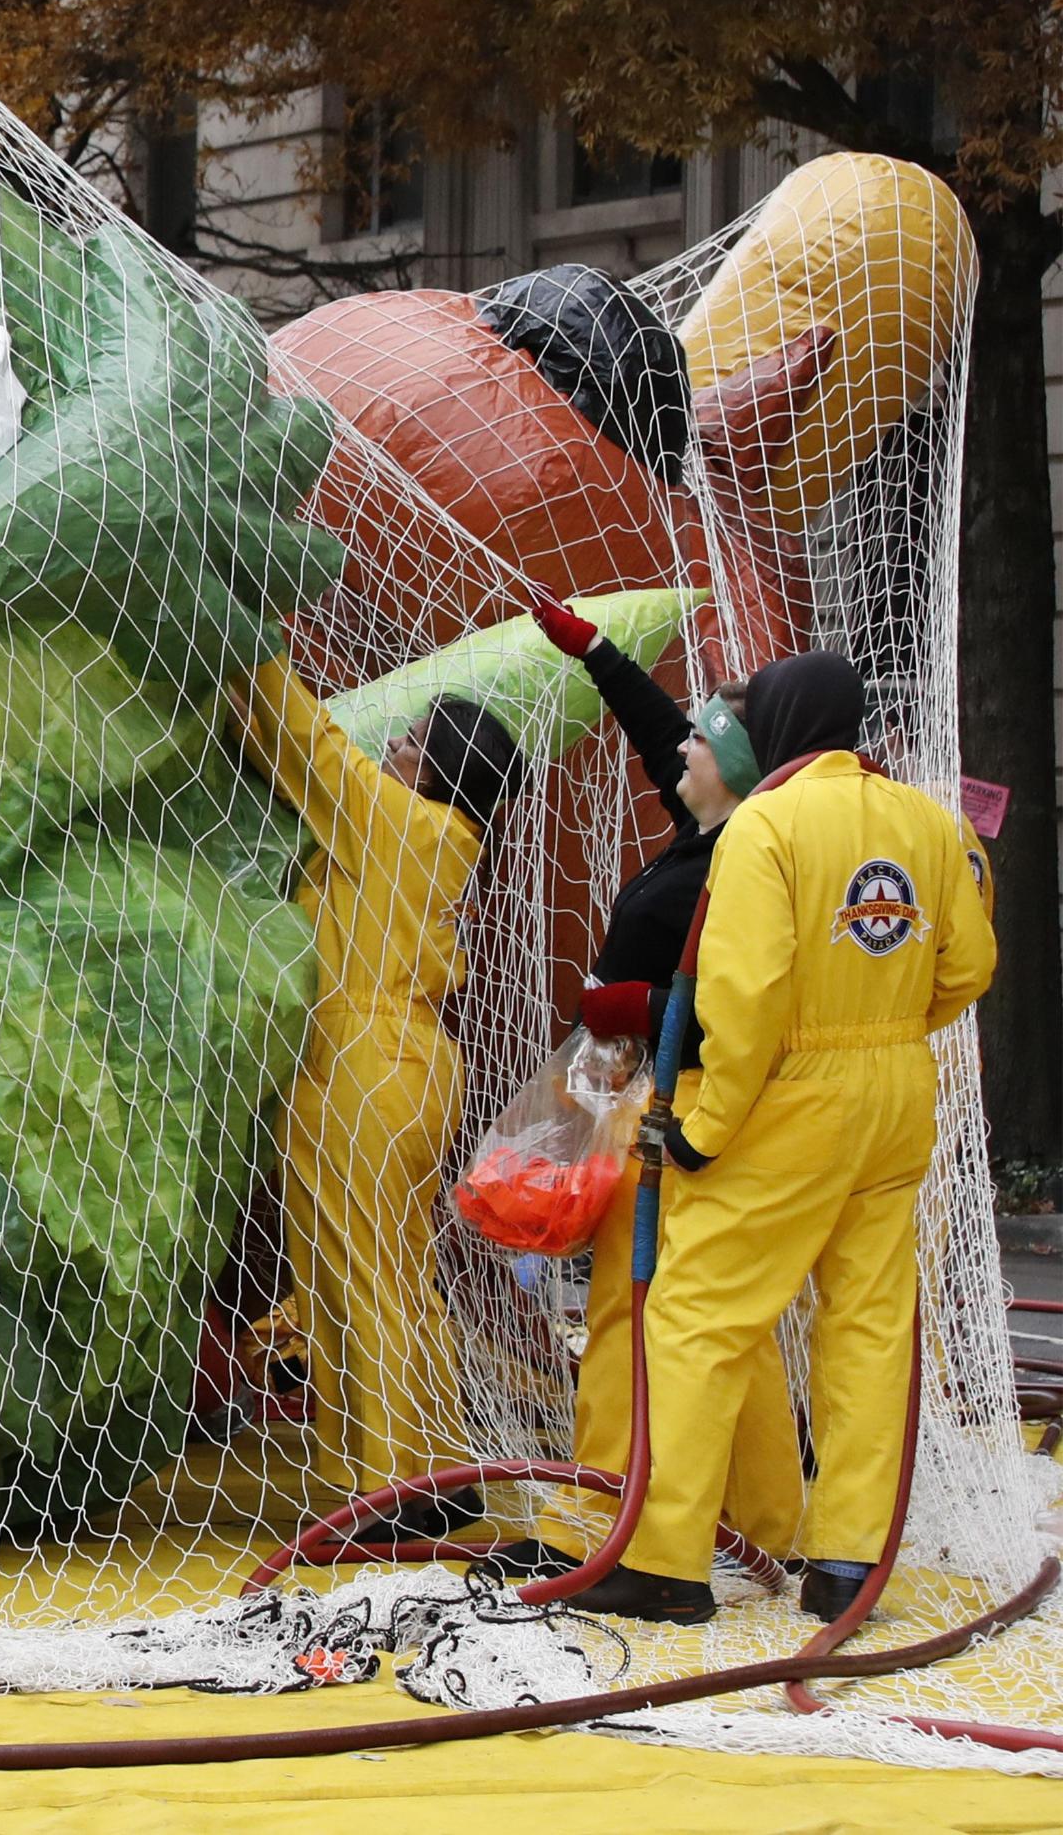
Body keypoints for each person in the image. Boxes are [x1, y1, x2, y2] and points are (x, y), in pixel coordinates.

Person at [572, 651, 996, 1623]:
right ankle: (846, 1561)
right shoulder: (929, 823)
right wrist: (880, 1018)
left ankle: (666, 1558)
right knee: (870, 1326)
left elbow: (747, 995)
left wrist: (701, 1131)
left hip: (789, 1096)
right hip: (895, 1096)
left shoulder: (766, 823)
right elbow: (969, 966)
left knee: (695, 1317)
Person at [522, 595, 801, 1576]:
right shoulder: (720, 825)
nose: (681, 750)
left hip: (682, 1110)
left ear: (738, 767)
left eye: (705, 740)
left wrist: (634, 1006)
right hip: (683, 1102)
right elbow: (662, 731)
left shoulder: (742, 864)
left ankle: (597, 1518)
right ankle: (766, 1518)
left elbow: (751, 1003)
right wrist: (594, 649)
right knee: (725, 1320)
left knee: (625, 1309)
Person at [230, 657, 528, 1541]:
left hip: (358, 1066)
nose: (389, 744)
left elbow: (307, 743)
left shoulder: (395, 819)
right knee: (401, 1276)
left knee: (352, 1278)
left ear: (427, 768)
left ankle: (384, 1488)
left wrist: (244, 632)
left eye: (407, 738)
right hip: (414, 1068)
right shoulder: (445, 837)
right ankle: (437, 1469)